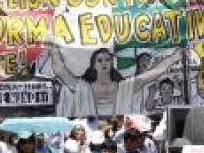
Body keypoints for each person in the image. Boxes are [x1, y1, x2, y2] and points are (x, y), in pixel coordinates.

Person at [51, 45, 181, 117]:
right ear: (94, 64)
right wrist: (54, 49)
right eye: (100, 60)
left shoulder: (124, 86)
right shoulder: (83, 86)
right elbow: (60, 71)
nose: (104, 63)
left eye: (107, 60)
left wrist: (175, 57)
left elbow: (153, 73)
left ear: (112, 63)